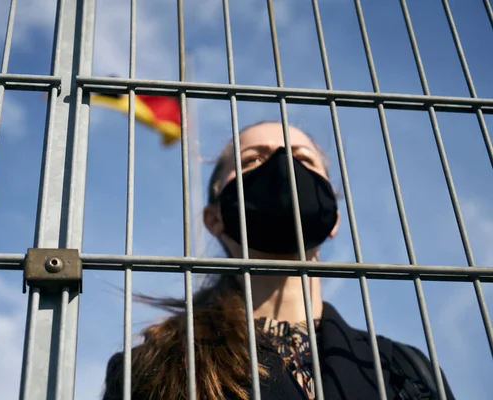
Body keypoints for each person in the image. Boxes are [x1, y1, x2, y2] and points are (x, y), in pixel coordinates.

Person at [102, 121, 455, 400]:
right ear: (214, 219)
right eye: (253, 159)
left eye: (302, 159)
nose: (282, 166)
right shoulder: (154, 364)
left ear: (334, 219)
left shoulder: (404, 369)